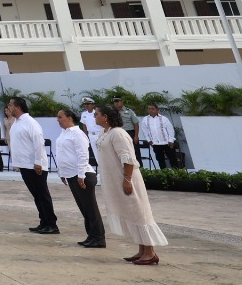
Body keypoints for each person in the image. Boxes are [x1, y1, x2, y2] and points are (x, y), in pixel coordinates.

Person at [94, 104, 165, 265]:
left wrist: (127, 179)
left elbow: (128, 158)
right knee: (133, 213)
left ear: (105, 117)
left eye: (97, 114)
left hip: (128, 179)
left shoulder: (118, 133)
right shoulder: (106, 133)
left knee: (139, 212)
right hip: (118, 180)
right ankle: (142, 250)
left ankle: (150, 252)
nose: (94, 117)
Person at [54, 108, 104, 248]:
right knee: (84, 208)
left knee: (90, 208)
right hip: (71, 175)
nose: (57, 120)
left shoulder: (77, 133)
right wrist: (62, 173)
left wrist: (81, 175)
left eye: (60, 117)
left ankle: (99, 238)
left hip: (82, 175)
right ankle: (91, 235)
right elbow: (62, 154)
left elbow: (83, 155)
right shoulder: (64, 133)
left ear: (69, 118)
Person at [7, 96, 57, 235]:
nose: (8, 107)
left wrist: (38, 162)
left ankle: (52, 224)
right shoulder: (16, 122)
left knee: (42, 195)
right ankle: (43, 222)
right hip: (24, 165)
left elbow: (38, 143)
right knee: (37, 196)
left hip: (34, 166)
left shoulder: (30, 122)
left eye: (10, 105)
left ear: (18, 107)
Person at [137, 104, 175, 170]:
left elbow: (170, 129)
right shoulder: (145, 119)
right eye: (149, 109)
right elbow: (145, 131)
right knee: (160, 160)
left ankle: (177, 174)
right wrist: (149, 140)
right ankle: (164, 173)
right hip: (156, 143)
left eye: (152, 109)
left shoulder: (164, 119)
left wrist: (171, 140)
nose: (150, 110)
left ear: (157, 110)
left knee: (172, 158)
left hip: (167, 142)